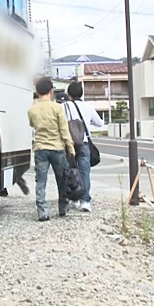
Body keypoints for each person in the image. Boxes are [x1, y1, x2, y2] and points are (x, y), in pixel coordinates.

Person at [27, 77, 75, 221]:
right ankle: (62, 207)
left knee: (41, 181)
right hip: (57, 148)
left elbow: (32, 125)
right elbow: (64, 130)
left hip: (40, 148)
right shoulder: (57, 108)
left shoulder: (32, 110)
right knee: (62, 179)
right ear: (51, 91)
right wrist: (70, 147)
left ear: (37, 91)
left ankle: (42, 211)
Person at [63, 80, 104, 212]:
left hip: (68, 144)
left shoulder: (64, 107)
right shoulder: (88, 107)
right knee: (84, 172)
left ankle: (72, 199)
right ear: (81, 93)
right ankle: (85, 201)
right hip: (84, 143)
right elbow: (100, 123)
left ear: (69, 94)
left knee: (69, 172)